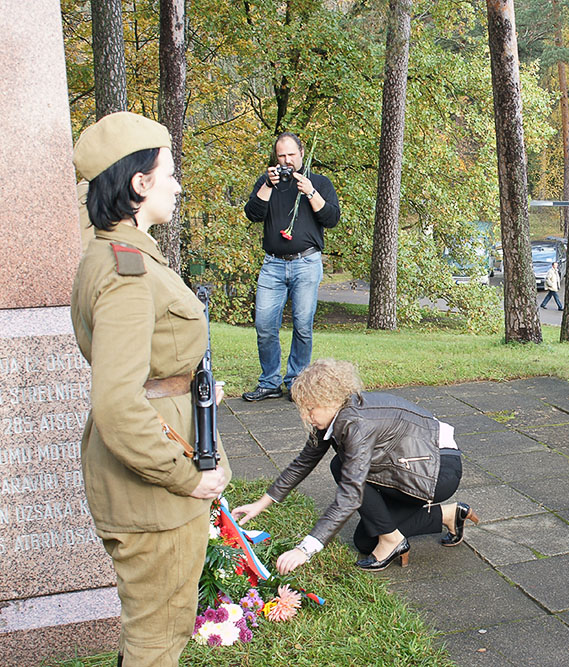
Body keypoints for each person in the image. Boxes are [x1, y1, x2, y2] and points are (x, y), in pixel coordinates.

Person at [70, 112, 231, 666]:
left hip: (155, 472)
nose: (178, 185)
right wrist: (187, 477)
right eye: (170, 174)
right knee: (158, 640)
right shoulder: (126, 270)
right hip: (154, 489)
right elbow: (116, 405)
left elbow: (148, 371)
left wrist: (185, 386)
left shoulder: (121, 256)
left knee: (155, 629)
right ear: (140, 183)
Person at [232, 358, 477, 572]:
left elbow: (351, 495)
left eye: (310, 409)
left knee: (341, 466)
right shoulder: (335, 416)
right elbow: (303, 462)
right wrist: (260, 504)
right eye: (302, 409)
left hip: (435, 471)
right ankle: (447, 515)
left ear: (330, 399)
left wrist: (305, 549)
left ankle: (393, 541)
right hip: (408, 465)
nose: (306, 417)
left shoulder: (355, 424)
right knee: (365, 541)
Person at [242, 132, 340, 402]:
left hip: (306, 263)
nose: (286, 161)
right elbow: (252, 213)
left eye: (291, 155)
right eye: (281, 156)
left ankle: (296, 382)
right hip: (272, 265)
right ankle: (269, 382)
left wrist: (310, 192)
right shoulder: (267, 182)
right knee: (264, 324)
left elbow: (331, 218)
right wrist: (267, 186)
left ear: (301, 153)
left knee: (302, 325)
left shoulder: (319, 182)